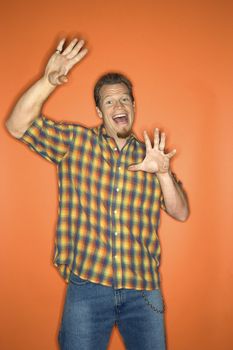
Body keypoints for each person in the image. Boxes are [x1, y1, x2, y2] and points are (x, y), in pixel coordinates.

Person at [6, 37, 189, 350]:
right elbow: (16, 126)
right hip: (87, 286)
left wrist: (162, 174)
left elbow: (181, 211)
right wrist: (47, 82)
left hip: (143, 289)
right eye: (109, 101)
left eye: (125, 100)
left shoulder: (152, 157)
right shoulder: (76, 142)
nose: (118, 106)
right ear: (98, 111)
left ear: (133, 106)